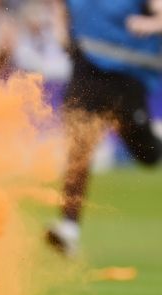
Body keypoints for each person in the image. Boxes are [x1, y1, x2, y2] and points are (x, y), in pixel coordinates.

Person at [47, 0, 162, 256]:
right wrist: (62, 30)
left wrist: (152, 23)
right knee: (79, 146)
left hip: (127, 79)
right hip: (87, 71)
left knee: (147, 154)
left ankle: (145, 136)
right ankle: (68, 226)